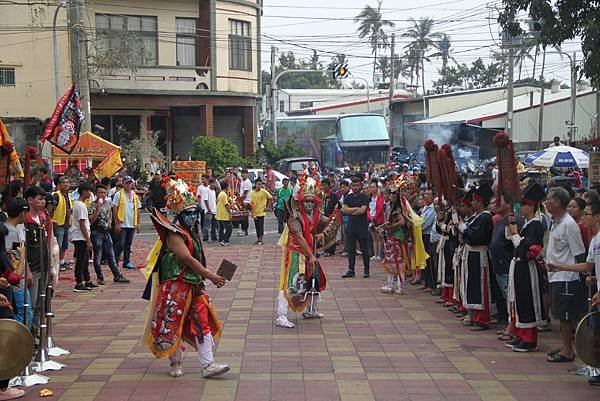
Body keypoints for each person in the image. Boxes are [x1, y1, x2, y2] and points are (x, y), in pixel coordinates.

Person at [142, 177, 228, 378]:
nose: (192, 217)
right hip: (175, 286)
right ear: (179, 214)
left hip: (194, 285)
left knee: (202, 322)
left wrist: (206, 278)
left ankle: (208, 365)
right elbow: (188, 259)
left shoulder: (192, 232)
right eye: (187, 214)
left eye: (194, 213)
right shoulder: (174, 234)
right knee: (173, 324)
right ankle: (175, 364)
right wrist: (211, 276)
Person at [275, 176, 340, 328]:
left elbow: (328, 222)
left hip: (309, 252)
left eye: (312, 201)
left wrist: (339, 213)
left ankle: (311, 310)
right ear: (301, 201)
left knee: (315, 281)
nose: (309, 204)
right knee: (291, 285)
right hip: (296, 253)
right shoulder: (294, 216)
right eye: (306, 201)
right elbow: (298, 236)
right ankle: (281, 316)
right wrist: (310, 255)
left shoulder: (316, 213)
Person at [548, 199, 600, 385]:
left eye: (586, 214)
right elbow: (588, 265)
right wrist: (560, 267)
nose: (582, 218)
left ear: (597, 217)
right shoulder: (594, 239)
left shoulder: (572, 226)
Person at [502, 182, 548, 353]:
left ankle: (529, 339)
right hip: (519, 267)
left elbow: (525, 249)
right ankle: (521, 335)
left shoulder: (535, 224)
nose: (520, 208)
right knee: (519, 300)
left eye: (523, 205)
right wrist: (512, 229)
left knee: (527, 300)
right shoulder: (528, 224)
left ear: (531, 206)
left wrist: (515, 233)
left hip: (527, 267)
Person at [543, 186, 586, 363]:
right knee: (560, 315)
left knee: (566, 316)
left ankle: (568, 350)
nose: (546, 203)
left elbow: (579, 254)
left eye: (549, 200)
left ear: (558, 203)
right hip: (555, 276)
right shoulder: (555, 221)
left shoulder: (569, 225)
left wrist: (572, 272)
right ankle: (565, 345)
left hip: (566, 277)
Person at [460, 183, 494, 331]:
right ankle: (473, 315)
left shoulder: (485, 217)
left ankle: (482, 319)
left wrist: (462, 228)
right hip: (471, 254)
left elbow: (475, 237)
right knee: (472, 285)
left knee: (480, 287)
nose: (472, 203)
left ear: (480, 202)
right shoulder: (477, 217)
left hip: (479, 254)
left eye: (474, 200)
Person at [23, 185, 51, 337]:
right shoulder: (26, 220)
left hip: (44, 264)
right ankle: (28, 337)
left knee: (41, 303)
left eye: (44, 199)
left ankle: (37, 333)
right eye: (40, 199)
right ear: (30, 200)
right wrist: (26, 268)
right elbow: (24, 247)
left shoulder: (42, 217)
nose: (43, 202)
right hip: (32, 267)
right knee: (32, 303)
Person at [89, 184, 130, 285]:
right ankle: (100, 276)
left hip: (106, 232)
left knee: (111, 255)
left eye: (104, 193)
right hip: (96, 232)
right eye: (100, 193)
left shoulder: (108, 204)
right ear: (96, 194)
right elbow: (91, 221)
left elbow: (111, 214)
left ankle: (117, 275)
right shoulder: (92, 206)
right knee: (97, 256)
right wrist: (97, 210)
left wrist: (111, 223)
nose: (102, 195)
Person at [342, 178, 371, 278]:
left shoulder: (365, 197)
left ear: (361, 186)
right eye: (353, 185)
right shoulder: (348, 197)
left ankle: (366, 270)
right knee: (351, 249)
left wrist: (351, 210)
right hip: (350, 226)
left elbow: (362, 211)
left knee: (364, 249)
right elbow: (344, 209)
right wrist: (355, 209)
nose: (355, 187)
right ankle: (351, 269)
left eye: (357, 185)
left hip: (362, 226)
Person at [70, 182, 97, 292]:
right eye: (88, 191)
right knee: (81, 261)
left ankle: (87, 280)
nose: (90, 193)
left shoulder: (80, 204)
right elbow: (82, 223)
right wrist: (88, 240)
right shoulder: (80, 205)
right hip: (80, 236)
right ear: (84, 192)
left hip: (81, 236)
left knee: (85, 260)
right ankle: (79, 283)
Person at [112, 176, 140, 270]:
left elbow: (137, 210)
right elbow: (115, 209)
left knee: (128, 244)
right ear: (123, 184)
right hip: (122, 223)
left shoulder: (135, 196)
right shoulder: (118, 195)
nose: (128, 185)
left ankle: (126, 261)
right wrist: (116, 223)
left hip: (131, 224)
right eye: (127, 183)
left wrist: (138, 224)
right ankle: (114, 260)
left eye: (130, 183)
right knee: (121, 243)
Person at [51, 175, 72, 271]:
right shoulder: (56, 195)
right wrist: (51, 220)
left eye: (67, 182)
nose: (66, 184)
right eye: (64, 182)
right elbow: (52, 208)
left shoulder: (68, 195)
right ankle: (55, 264)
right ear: (59, 185)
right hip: (58, 224)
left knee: (64, 245)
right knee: (58, 245)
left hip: (66, 224)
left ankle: (62, 262)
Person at [420, 188, 436, 291]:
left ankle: (431, 284)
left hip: (428, 236)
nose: (426, 196)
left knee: (429, 261)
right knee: (424, 260)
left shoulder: (433, 208)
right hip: (422, 235)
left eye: (429, 194)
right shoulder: (425, 207)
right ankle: (426, 282)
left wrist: (417, 226)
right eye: (425, 194)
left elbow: (425, 224)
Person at [250, 179, 272, 245]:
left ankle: (261, 239)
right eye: (258, 184)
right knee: (257, 226)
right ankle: (258, 239)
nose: (259, 186)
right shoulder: (252, 193)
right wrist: (251, 212)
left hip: (261, 212)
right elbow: (251, 203)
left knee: (260, 225)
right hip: (255, 212)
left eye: (261, 184)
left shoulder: (264, 192)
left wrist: (267, 207)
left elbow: (270, 198)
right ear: (255, 185)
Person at [321, 178, 339, 257]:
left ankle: (331, 250)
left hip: (331, 217)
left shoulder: (333, 195)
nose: (324, 187)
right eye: (322, 185)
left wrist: (333, 214)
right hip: (322, 216)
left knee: (331, 234)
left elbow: (338, 205)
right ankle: (325, 249)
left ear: (329, 186)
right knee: (324, 233)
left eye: (325, 185)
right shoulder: (321, 194)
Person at [368, 181, 385, 261]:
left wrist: (375, 217)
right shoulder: (368, 199)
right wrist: (370, 217)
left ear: (377, 188)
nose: (372, 188)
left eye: (373, 187)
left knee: (379, 238)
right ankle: (375, 254)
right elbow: (367, 209)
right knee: (374, 238)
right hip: (370, 220)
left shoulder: (380, 199)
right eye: (371, 187)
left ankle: (380, 254)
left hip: (379, 220)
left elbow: (380, 209)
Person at [216, 180, 232, 246]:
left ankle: (221, 240)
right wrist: (230, 213)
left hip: (219, 214)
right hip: (223, 214)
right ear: (226, 187)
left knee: (221, 228)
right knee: (229, 227)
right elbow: (226, 205)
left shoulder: (220, 194)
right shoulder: (223, 194)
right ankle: (225, 240)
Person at [237, 169, 252, 237]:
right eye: (242, 173)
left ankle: (245, 230)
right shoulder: (242, 181)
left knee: (244, 217)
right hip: (243, 201)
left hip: (246, 201)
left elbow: (245, 194)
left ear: (247, 174)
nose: (242, 175)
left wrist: (240, 202)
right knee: (242, 216)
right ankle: (243, 229)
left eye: (244, 173)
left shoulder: (247, 182)